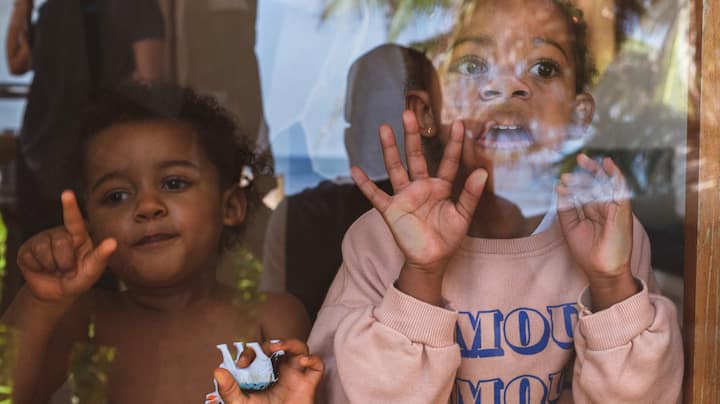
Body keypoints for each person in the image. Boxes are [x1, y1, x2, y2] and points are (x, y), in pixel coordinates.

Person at [307, 0, 683, 403]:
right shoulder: (380, 243)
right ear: (426, 111)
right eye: (472, 66)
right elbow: (338, 395)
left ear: (578, 118)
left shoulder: (607, 236)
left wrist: (611, 284)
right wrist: (422, 273)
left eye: (543, 68)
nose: (508, 86)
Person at [1, 84, 321, 403]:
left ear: (230, 207)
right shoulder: (84, 324)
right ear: (91, 228)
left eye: (173, 183)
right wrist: (38, 302)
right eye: (117, 196)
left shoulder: (272, 320)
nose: (147, 206)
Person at [5, 0, 167, 241]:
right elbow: (149, 81)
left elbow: (16, 61)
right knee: (98, 248)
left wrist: (21, 7)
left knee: (43, 248)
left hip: (40, 150)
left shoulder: (55, 9)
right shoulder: (136, 6)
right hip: (94, 150)